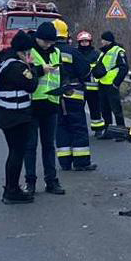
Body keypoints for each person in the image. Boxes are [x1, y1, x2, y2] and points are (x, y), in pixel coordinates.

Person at [0, 31, 49, 204]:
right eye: (29, 52)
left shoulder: (4, 60)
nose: (30, 55)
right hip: (15, 116)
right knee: (17, 153)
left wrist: (36, 69)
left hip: (6, 114)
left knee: (14, 152)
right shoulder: (17, 66)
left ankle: (12, 188)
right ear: (23, 51)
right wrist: (31, 66)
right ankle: (11, 191)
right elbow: (31, 84)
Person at [23, 21, 66, 195]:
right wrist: (41, 70)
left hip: (51, 103)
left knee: (49, 145)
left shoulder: (57, 52)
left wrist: (65, 88)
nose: (49, 45)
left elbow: (60, 75)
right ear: (38, 39)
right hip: (32, 104)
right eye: (46, 42)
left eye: (51, 42)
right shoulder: (29, 52)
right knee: (30, 146)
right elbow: (24, 74)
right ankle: (30, 182)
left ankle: (51, 181)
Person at [51, 20, 96, 171]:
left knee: (60, 127)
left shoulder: (46, 52)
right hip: (73, 94)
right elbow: (85, 72)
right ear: (66, 35)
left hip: (53, 96)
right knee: (78, 127)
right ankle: (81, 162)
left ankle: (65, 162)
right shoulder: (72, 52)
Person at [96, 31, 128, 140]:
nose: (101, 41)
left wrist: (116, 83)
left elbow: (124, 68)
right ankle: (108, 132)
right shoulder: (103, 52)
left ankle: (121, 133)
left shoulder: (118, 51)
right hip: (102, 84)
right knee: (105, 110)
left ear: (107, 40)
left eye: (103, 39)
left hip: (111, 85)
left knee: (116, 110)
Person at [75, 30, 106, 136]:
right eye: (82, 41)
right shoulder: (76, 53)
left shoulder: (96, 54)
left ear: (90, 42)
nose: (84, 43)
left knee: (95, 109)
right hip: (80, 87)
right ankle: (80, 130)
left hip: (93, 88)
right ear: (79, 42)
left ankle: (98, 129)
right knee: (78, 110)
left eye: (86, 41)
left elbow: (101, 69)